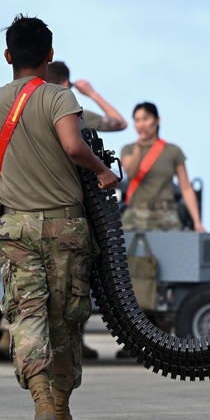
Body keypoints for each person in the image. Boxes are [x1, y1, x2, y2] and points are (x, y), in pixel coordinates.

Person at [0, 14, 119, 420]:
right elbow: (73, 146)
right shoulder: (60, 98)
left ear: (7, 56)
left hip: (14, 226)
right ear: (50, 55)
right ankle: (62, 407)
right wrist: (102, 171)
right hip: (64, 226)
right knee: (66, 318)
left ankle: (41, 404)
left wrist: (14, 172)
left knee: (26, 315)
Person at [42, 60, 128, 360]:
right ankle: (70, 345)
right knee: (75, 284)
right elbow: (119, 122)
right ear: (66, 84)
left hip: (30, 213)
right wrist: (90, 92)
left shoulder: (26, 112)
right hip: (72, 212)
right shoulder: (73, 114)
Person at [119, 102, 205, 339]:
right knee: (132, 275)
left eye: (146, 119)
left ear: (157, 120)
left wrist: (197, 222)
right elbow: (132, 173)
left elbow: (186, 188)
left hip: (166, 217)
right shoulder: (128, 148)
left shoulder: (172, 151)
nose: (141, 124)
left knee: (170, 274)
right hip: (135, 216)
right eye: (137, 120)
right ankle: (132, 337)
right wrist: (139, 148)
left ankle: (163, 333)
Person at [45, 61, 128, 132]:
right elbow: (121, 123)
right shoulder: (77, 116)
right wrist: (92, 93)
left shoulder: (35, 111)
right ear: (65, 82)